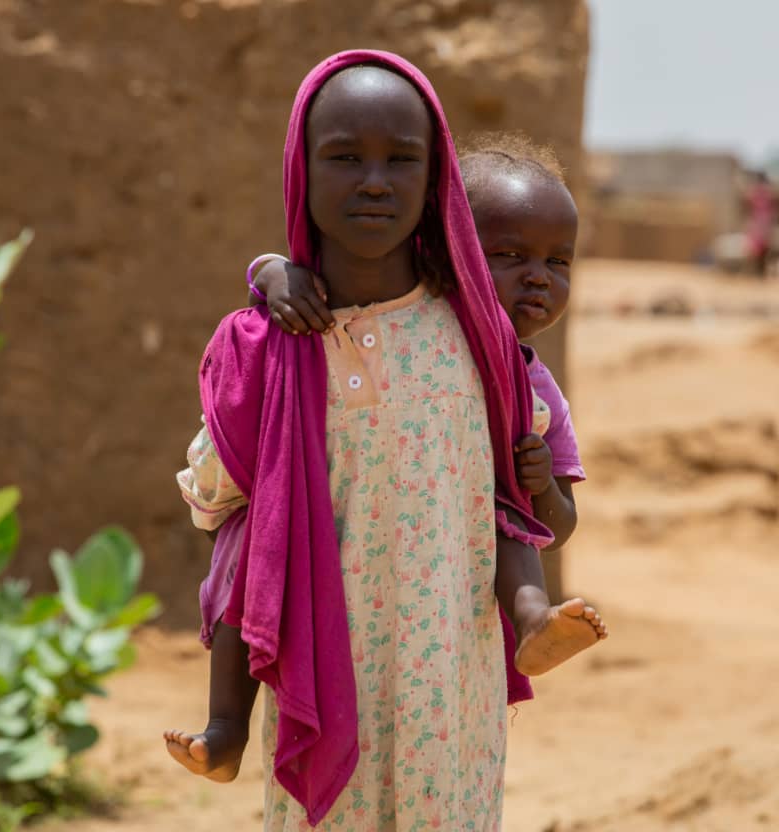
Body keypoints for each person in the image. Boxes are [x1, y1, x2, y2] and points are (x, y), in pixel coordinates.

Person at [163, 51, 604, 830]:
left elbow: (525, 505)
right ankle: (226, 726)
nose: (375, 181)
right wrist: (269, 274)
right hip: (322, 676)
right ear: (304, 167)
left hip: (445, 675)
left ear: (434, 182)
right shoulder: (269, 343)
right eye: (344, 158)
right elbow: (216, 498)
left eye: (402, 161)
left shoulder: (477, 337)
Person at [243, 133, 600, 673]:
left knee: (506, 515)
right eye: (508, 254)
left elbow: (561, 527)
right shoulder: (415, 328)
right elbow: (325, 281)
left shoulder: (537, 394)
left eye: (559, 261)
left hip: (451, 602)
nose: (537, 275)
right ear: (447, 249)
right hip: (367, 564)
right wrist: (272, 273)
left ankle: (531, 620)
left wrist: (540, 484)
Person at [744, 171, 776, 277]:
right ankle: (759, 271)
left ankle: (759, 271)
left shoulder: (759, 192)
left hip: (760, 222)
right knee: (759, 247)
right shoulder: (765, 192)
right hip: (762, 222)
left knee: (759, 248)